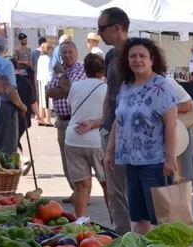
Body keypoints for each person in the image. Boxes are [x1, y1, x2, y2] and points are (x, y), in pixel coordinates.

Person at [104, 38, 178, 235]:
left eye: (142, 56)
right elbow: (118, 120)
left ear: (152, 59)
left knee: (164, 219)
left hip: (155, 163)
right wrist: (110, 151)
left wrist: (170, 159)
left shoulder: (162, 86)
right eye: (133, 56)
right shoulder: (126, 86)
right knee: (139, 217)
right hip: (131, 162)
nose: (137, 60)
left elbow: (171, 125)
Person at [74, 6, 131, 233]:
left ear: (116, 27)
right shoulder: (110, 55)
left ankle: (135, 235)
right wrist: (103, 124)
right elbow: (110, 93)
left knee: (131, 188)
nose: (99, 34)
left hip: (130, 133)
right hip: (110, 130)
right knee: (114, 188)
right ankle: (121, 233)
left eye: (101, 28)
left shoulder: (135, 52)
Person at [65, 53, 108, 218]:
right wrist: (93, 123)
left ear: (85, 69)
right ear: (102, 70)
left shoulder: (76, 85)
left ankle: (81, 223)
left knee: (81, 186)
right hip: (96, 140)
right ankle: (116, 222)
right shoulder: (106, 88)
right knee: (107, 184)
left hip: (73, 138)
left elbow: (72, 105)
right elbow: (110, 117)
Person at [46, 40, 87, 202]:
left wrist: (62, 78)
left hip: (76, 122)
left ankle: (84, 193)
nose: (67, 56)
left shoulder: (80, 69)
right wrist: (63, 87)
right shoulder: (59, 70)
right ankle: (75, 191)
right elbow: (49, 91)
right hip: (61, 122)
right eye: (64, 53)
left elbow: (72, 91)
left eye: (70, 52)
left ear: (76, 53)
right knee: (65, 161)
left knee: (78, 161)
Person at [0, 36, 27, 156]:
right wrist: (21, 106)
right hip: (4, 107)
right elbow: (10, 90)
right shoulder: (5, 63)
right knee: (6, 147)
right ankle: (5, 172)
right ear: (5, 50)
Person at [35, 41, 54, 126]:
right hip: (47, 81)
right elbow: (50, 72)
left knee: (42, 101)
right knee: (48, 101)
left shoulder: (40, 58)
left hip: (40, 80)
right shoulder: (48, 59)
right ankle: (48, 120)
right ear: (48, 49)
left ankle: (41, 118)